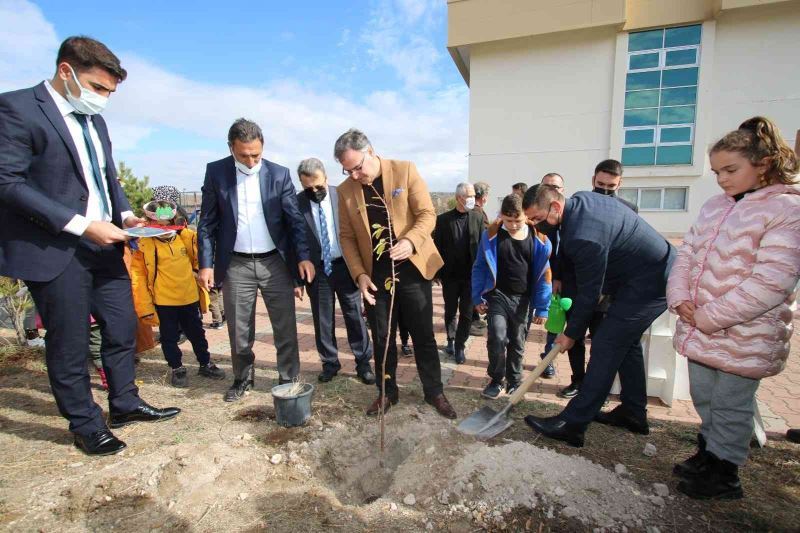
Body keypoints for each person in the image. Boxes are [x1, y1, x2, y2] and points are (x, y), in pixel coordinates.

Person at [0, 36, 180, 456]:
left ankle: (125, 403)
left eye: (110, 92)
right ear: (66, 72)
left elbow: (106, 178)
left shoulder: (95, 121)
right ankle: (85, 423)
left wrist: (129, 217)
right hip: (56, 249)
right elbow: (8, 183)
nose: (104, 99)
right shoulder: (17, 109)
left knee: (121, 327)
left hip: (105, 245)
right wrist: (81, 225)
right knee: (70, 342)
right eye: (98, 88)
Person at [666, 116, 799, 500]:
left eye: (731, 170)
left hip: (745, 332)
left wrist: (708, 315)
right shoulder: (713, 207)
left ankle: (725, 473)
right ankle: (708, 453)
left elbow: (771, 282)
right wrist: (680, 298)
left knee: (731, 404)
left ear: (763, 164)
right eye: (716, 171)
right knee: (705, 396)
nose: (722, 179)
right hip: (699, 323)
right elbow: (687, 254)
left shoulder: (785, 211)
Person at [521, 183, 675, 447]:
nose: (535, 225)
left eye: (537, 218)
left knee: (606, 343)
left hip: (651, 282)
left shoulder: (585, 235)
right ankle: (634, 412)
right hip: (644, 275)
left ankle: (573, 424)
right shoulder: (580, 201)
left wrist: (571, 333)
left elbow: (590, 293)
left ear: (555, 206)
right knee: (625, 344)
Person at [334, 128, 456, 419]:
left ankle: (434, 391)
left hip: (412, 269)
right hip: (376, 276)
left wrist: (410, 241)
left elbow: (427, 214)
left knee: (423, 335)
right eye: (346, 170)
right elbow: (347, 237)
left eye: (357, 167)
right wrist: (360, 274)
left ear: (371, 152)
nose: (353, 175)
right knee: (382, 336)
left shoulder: (405, 171)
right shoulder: (345, 191)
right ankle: (387, 392)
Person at [197, 119, 314, 402]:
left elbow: (294, 221)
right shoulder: (216, 172)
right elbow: (207, 223)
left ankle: (288, 377)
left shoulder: (279, 174)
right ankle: (242, 378)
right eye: (243, 155)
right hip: (236, 264)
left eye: (256, 155)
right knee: (239, 328)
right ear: (231, 148)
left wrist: (303, 257)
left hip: (275, 263)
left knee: (284, 325)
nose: (250, 162)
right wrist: (206, 263)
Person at [131, 186, 226, 388]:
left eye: (167, 220)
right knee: (169, 337)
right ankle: (177, 368)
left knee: (197, 333)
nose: (163, 224)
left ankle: (205, 363)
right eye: (157, 221)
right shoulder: (144, 244)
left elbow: (203, 255)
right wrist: (144, 305)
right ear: (151, 221)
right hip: (163, 300)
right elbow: (138, 276)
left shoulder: (186, 237)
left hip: (189, 297)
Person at [295, 158, 375, 384]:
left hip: (345, 266)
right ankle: (330, 363)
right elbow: (295, 239)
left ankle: (363, 362)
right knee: (323, 319)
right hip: (317, 270)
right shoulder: (297, 203)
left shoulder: (342, 196)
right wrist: (297, 277)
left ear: (326, 178)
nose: (314, 191)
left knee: (354, 315)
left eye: (318, 186)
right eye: (308, 188)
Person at [472, 193, 552, 398]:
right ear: (501, 216)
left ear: (525, 215)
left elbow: (545, 276)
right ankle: (496, 379)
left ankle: (514, 381)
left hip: (523, 300)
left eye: (518, 220)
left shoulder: (540, 240)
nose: (514, 225)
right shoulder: (491, 235)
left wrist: (542, 307)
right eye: (509, 221)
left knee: (517, 342)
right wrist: (476, 297)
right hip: (497, 296)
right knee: (497, 338)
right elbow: (480, 267)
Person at [433, 182, 484, 364]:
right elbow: (436, 247)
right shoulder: (443, 220)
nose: (472, 199)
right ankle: (451, 339)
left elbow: (482, 245)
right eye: (469, 196)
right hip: (450, 275)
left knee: (467, 313)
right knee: (450, 310)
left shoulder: (477, 218)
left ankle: (460, 346)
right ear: (458, 198)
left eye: (473, 196)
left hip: (471, 276)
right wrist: (436, 273)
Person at [470, 181, 491, 335]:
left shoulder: (470, 210)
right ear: (483, 197)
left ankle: (473, 319)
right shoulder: (479, 213)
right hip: (476, 260)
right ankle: (472, 321)